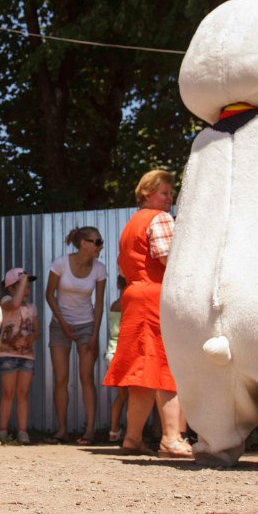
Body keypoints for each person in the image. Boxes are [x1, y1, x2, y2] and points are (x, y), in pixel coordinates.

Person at [104, 169, 190, 458]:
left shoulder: (131, 224)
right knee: (166, 367)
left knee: (142, 372)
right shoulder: (161, 219)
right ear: (147, 194)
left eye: (170, 193)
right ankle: (172, 438)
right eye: (164, 193)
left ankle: (132, 438)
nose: (170, 198)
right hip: (156, 296)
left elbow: (123, 265)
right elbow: (171, 261)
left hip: (133, 297)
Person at [45, 226, 108, 445]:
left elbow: (99, 305)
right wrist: (63, 324)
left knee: (86, 378)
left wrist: (93, 335)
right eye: (98, 242)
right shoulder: (60, 264)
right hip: (59, 326)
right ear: (84, 243)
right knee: (61, 378)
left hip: (86, 326)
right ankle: (61, 430)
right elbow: (49, 295)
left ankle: (89, 431)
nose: (101, 246)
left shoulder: (100, 269)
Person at [0, 267, 37, 445]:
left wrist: (29, 339)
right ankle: (3, 431)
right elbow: (14, 304)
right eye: (22, 286)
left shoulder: (31, 308)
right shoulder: (5, 301)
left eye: (28, 287)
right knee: (7, 393)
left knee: (23, 393)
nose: (27, 290)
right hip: (7, 354)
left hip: (26, 356)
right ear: (11, 288)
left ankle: (22, 431)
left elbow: (37, 331)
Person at [105, 274, 127, 443]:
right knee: (133, 396)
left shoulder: (115, 305)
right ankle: (134, 434)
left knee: (122, 395)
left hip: (112, 353)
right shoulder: (129, 305)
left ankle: (114, 431)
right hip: (124, 354)